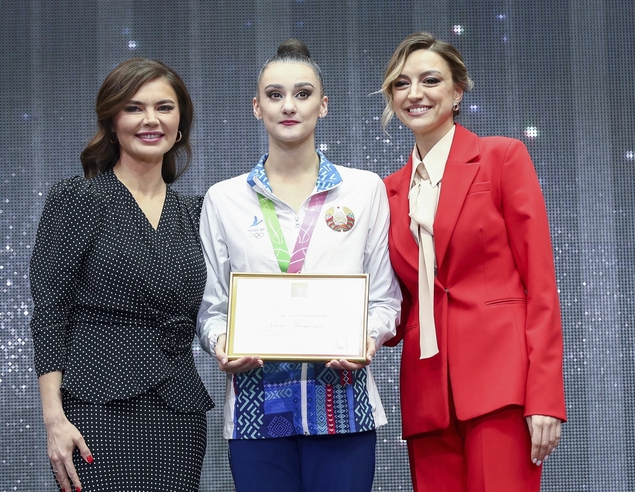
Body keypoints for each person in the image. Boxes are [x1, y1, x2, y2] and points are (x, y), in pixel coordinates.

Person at [196, 39, 401, 492]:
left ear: (323, 106)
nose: (289, 106)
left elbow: (385, 299)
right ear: (257, 107)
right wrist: (221, 343)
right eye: (274, 95)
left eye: (303, 94)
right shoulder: (224, 198)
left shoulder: (364, 191)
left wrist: (367, 339)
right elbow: (212, 307)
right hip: (256, 409)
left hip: (343, 405)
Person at [379, 32, 566, 492]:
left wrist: (544, 397)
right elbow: (396, 303)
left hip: (500, 387)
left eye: (430, 80)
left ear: (458, 91)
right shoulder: (387, 191)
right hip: (427, 396)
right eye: (402, 84)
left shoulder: (501, 158)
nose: (415, 94)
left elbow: (540, 286)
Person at [29, 58, 213, 492]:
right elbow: (50, 312)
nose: (150, 120)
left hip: (178, 413)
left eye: (164, 107)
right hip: (95, 407)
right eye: (134, 108)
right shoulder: (77, 198)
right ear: (112, 122)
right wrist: (54, 419)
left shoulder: (200, 212)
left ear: (179, 121)